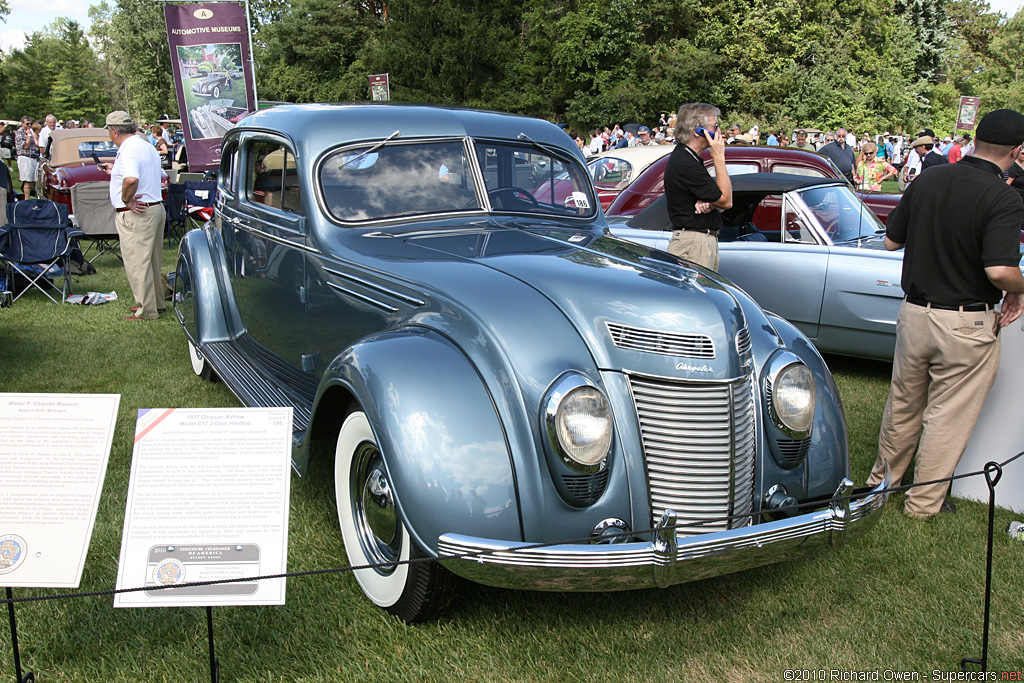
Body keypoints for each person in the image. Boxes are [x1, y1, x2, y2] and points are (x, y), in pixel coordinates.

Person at [866, 109, 1024, 519]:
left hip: (915, 312)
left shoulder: (930, 179)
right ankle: (923, 503)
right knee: (947, 415)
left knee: (903, 403)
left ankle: (881, 486)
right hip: (966, 321)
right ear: (1018, 151)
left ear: (975, 139)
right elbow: (1000, 271)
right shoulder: (1003, 197)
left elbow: (889, 242)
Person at [97, 111, 166, 321]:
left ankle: (146, 310)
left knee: (138, 262)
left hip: (137, 213)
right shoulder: (145, 146)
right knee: (152, 260)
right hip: (155, 208)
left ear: (114, 131)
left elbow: (131, 179)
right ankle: (156, 302)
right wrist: (114, 171)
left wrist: (127, 200)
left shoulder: (128, 150)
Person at [664, 102, 732, 270]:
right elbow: (726, 200)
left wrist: (710, 203)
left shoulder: (690, 159)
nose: (719, 132)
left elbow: (720, 200)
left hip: (699, 243)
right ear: (698, 131)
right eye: (715, 126)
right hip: (693, 244)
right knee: (696, 295)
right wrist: (718, 157)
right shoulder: (685, 162)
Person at [14, 116, 40, 198]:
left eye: (30, 124)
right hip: (25, 157)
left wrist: (33, 135)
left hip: (33, 157)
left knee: (34, 180)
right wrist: (29, 135)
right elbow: (25, 145)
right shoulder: (19, 132)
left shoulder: (31, 131)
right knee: (27, 180)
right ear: (22, 123)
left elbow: (37, 144)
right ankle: (27, 199)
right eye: (27, 123)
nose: (29, 125)